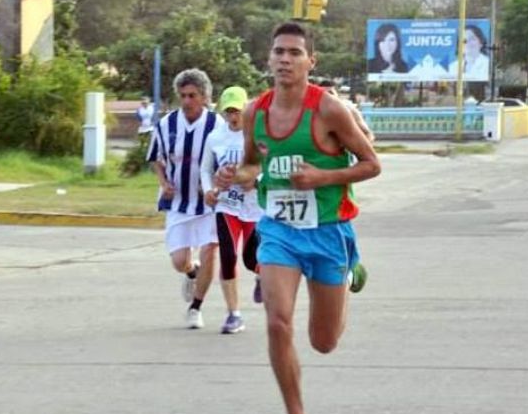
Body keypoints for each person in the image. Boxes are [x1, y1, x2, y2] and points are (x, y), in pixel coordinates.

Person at [215, 22, 380, 414]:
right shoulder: (256, 112)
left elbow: (372, 164)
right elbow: (252, 167)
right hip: (278, 232)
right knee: (277, 322)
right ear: (269, 58)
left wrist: (323, 177)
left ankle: (349, 269)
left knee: (324, 342)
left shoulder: (328, 109)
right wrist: (232, 176)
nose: (285, 59)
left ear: (310, 61)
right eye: (279, 52)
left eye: (294, 53)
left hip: (327, 230)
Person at [146, 68, 226, 329]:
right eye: (183, 95)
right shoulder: (166, 124)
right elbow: (155, 159)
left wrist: (215, 184)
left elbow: (227, 160)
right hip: (179, 202)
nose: (187, 101)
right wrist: (163, 181)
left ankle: (196, 307)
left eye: (192, 95)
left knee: (211, 248)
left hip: (209, 203)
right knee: (179, 260)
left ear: (204, 97)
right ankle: (191, 272)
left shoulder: (217, 125)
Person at [200, 86, 263, 335]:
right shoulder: (215, 138)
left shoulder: (257, 136)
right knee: (228, 255)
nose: (233, 117)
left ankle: (260, 275)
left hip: (255, 207)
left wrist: (256, 181)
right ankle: (233, 314)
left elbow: (269, 164)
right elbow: (205, 169)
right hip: (227, 204)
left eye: (237, 110)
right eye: (228, 112)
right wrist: (208, 190)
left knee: (252, 259)